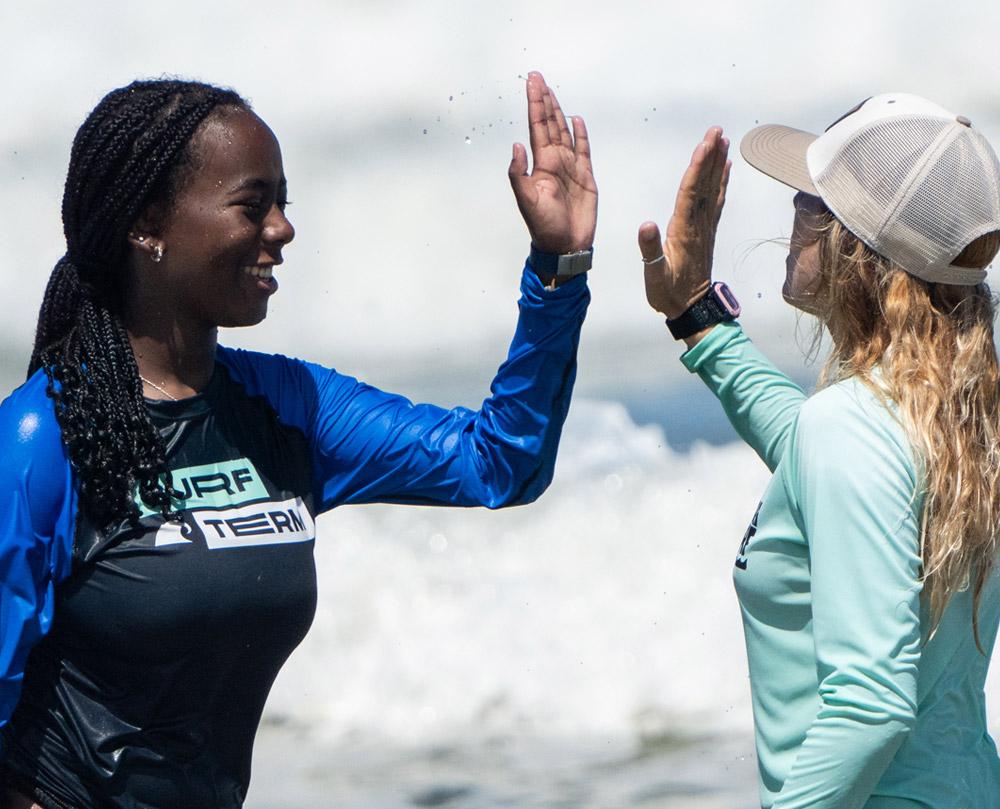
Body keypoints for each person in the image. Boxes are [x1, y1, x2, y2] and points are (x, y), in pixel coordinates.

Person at [0, 71, 596, 809]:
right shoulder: (46, 434)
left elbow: (499, 463)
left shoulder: (286, 406)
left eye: (283, 203)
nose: (282, 228)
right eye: (253, 205)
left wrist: (559, 272)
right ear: (147, 224)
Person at [638, 96, 1000, 807]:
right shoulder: (966, 424)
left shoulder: (854, 428)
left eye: (811, 197)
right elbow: (813, 449)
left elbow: (870, 706)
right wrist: (696, 317)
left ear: (854, 246)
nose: (793, 211)